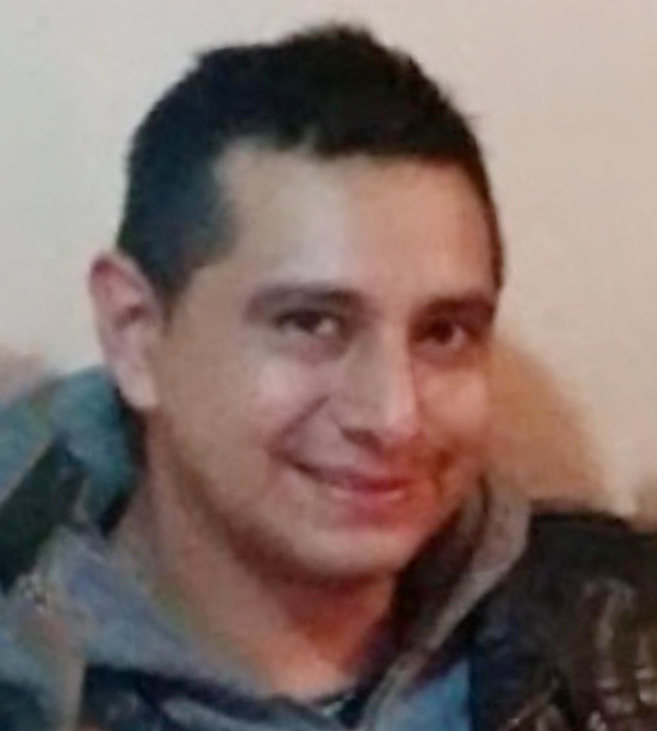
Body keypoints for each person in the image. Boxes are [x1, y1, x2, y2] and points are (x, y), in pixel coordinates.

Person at [0, 24, 656, 731]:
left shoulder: (617, 626)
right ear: (136, 333)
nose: (394, 416)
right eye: (311, 323)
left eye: (443, 332)